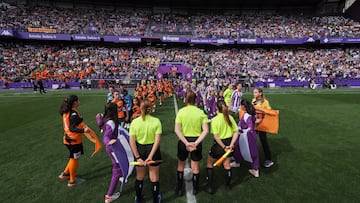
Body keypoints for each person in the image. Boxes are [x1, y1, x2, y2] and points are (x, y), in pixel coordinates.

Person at [174, 91, 209, 196]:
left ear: (186, 99)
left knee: (181, 165)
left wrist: (186, 143)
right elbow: (206, 130)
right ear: (196, 99)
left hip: (184, 141)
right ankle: (195, 189)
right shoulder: (201, 112)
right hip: (196, 142)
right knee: (196, 167)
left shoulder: (181, 112)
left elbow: (177, 130)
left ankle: (179, 189)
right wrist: (195, 143)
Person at [129, 100, 162, 203]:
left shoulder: (135, 122)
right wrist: (151, 156)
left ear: (140, 108)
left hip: (140, 149)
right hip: (153, 150)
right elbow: (157, 141)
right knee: (154, 177)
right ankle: (155, 200)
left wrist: (138, 157)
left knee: (140, 176)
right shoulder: (156, 121)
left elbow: (132, 142)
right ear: (151, 108)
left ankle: (138, 199)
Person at [205, 101, 238, 194]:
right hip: (229, 144)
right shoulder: (230, 118)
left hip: (220, 145)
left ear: (216, 108)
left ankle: (209, 186)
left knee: (209, 163)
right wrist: (231, 144)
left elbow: (216, 136)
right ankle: (227, 185)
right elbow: (236, 132)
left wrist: (224, 147)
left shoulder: (215, 120)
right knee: (227, 164)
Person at [58, 95, 90, 187]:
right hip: (74, 140)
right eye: (78, 100)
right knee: (74, 159)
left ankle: (65, 174)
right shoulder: (73, 114)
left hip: (68, 139)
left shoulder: (67, 112)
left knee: (73, 158)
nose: (79, 101)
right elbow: (72, 128)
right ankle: (72, 181)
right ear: (75, 102)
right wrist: (83, 130)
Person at [96, 103, 121, 203]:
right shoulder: (111, 122)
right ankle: (109, 196)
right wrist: (109, 142)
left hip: (111, 148)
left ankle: (122, 176)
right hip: (113, 148)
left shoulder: (105, 118)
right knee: (117, 170)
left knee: (118, 166)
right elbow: (106, 136)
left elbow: (99, 122)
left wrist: (98, 117)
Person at [231, 99, 260, 178]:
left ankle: (253, 168)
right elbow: (256, 121)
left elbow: (250, 125)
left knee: (246, 150)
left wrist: (247, 131)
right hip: (249, 135)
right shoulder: (250, 114)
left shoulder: (247, 115)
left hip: (246, 136)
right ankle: (254, 168)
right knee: (250, 150)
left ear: (243, 106)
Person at [252, 88, 274, 168]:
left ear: (260, 93)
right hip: (255, 124)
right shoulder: (254, 100)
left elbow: (269, 112)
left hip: (262, 125)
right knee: (253, 140)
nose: (254, 93)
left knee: (264, 141)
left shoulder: (265, 102)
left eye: (255, 92)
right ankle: (252, 158)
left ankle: (269, 159)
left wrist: (261, 112)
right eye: (254, 92)